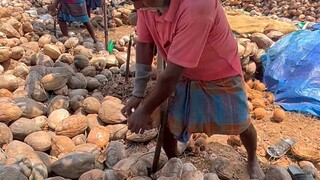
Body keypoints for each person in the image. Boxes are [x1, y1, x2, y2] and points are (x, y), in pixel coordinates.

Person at [122, 0, 265, 179]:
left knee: (240, 123)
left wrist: (145, 109)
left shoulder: (198, 5)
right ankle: (174, 162)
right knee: (169, 124)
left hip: (219, 71)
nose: (136, 7)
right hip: (183, 72)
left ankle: (252, 158)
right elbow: (145, 44)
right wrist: (138, 93)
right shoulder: (146, 5)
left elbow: (170, 76)